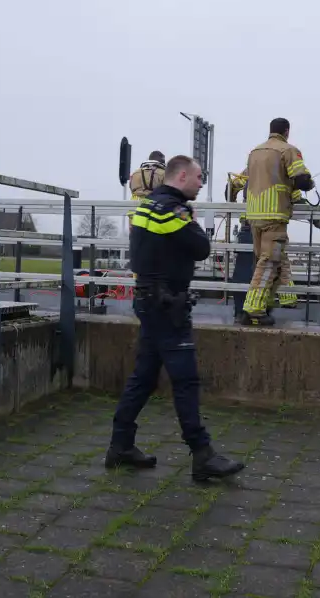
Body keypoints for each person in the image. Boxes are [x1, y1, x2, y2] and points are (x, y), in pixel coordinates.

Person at [106, 155, 246, 482]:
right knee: (185, 380)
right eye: (198, 177)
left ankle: (120, 445)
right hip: (168, 307)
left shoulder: (146, 206)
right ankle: (203, 454)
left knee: (143, 378)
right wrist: (192, 220)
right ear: (181, 176)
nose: (201, 183)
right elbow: (201, 247)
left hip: (149, 302)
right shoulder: (172, 210)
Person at [239, 118, 314, 326]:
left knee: (274, 265)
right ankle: (253, 309)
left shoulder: (254, 152)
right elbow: (301, 180)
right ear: (287, 131)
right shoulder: (288, 150)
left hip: (254, 216)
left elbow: (243, 181)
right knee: (269, 263)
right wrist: (310, 180)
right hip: (275, 216)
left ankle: (265, 304)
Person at [226, 171, 301, 322]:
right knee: (271, 268)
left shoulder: (251, 170)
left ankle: (242, 312)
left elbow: (230, 189)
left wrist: (233, 200)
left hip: (249, 225)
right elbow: (296, 197)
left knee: (245, 269)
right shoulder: (282, 172)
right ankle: (261, 311)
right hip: (271, 227)